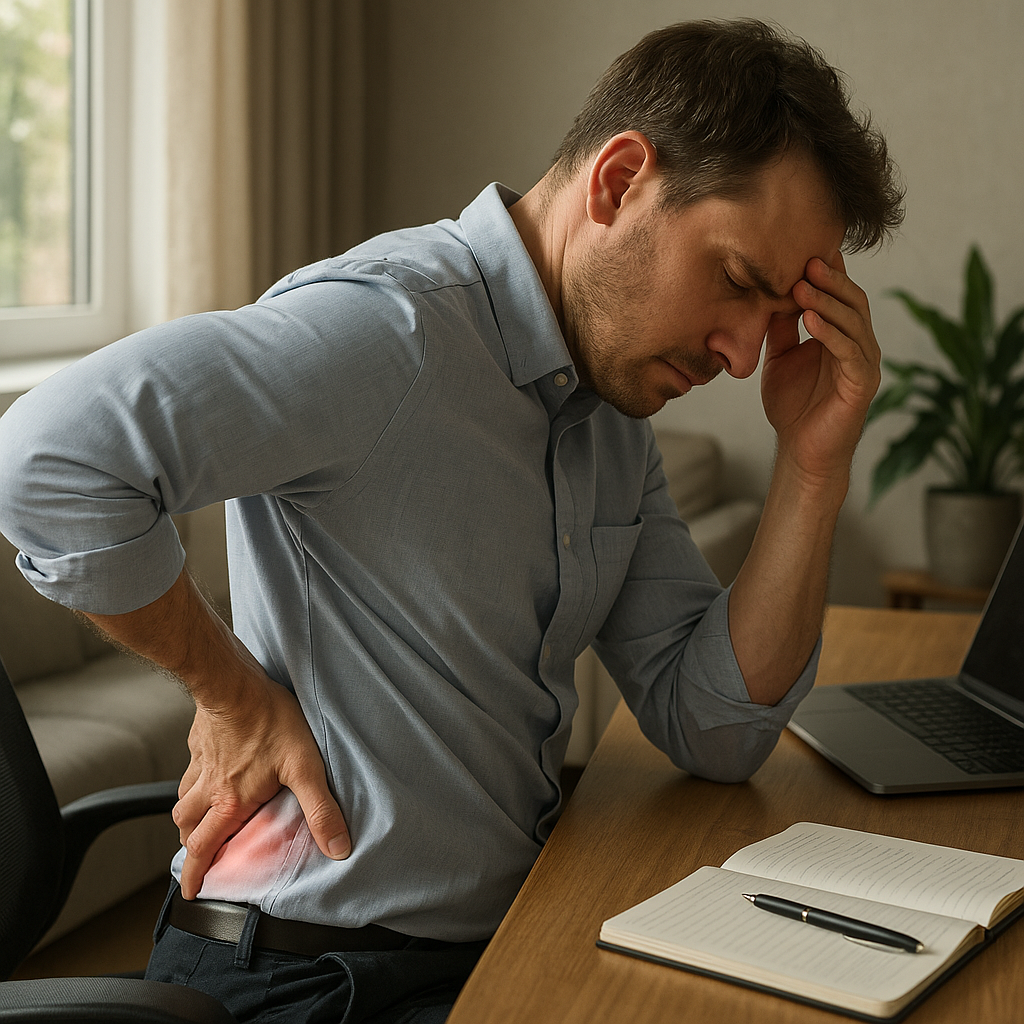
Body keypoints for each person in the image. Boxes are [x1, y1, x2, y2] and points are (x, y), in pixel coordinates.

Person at [0, 18, 903, 1024]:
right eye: (736, 281)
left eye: (773, 317)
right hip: (304, 977)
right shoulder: (384, 329)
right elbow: (44, 457)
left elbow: (715, 728)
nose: (740, 355)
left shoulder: (610, 422)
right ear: (618, 183)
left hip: (493, 945)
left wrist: (813, 465)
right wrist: (231, 695)